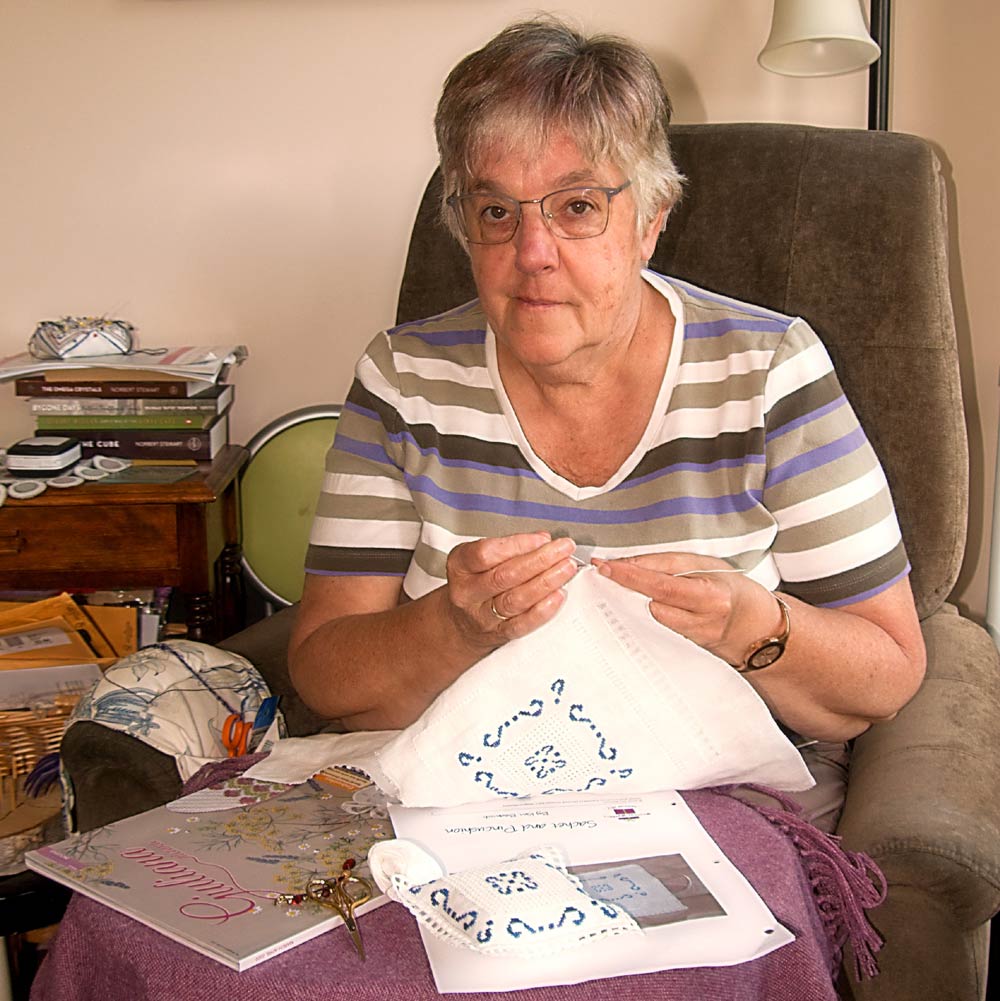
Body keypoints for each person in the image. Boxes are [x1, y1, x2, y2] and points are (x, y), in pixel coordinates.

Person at [288, 16, 926, 830]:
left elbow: (889, 670)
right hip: (463, 807)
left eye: (578, 205)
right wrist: (453, 626)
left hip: (716, 810)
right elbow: (323, 668)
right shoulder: (404, 378)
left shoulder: (769, 370)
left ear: (651, 218)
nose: (533, 252)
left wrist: (751, 625)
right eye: (495, 212)